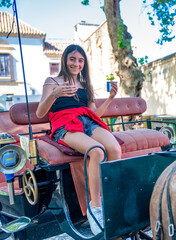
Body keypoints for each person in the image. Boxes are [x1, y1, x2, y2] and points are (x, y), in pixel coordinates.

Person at [36, 44, 122, 235]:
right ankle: (95, 207)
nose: (76, 63)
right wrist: (54, 94)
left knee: (115, 149)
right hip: (64, 124)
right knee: (97, 151)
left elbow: (94, 113)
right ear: (65, 60)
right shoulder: (52, 81)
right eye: (73, 59)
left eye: (81, 60)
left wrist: (110, 99)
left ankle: (112, 199)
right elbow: (40, 112)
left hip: (88, 122)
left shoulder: (85, 85)